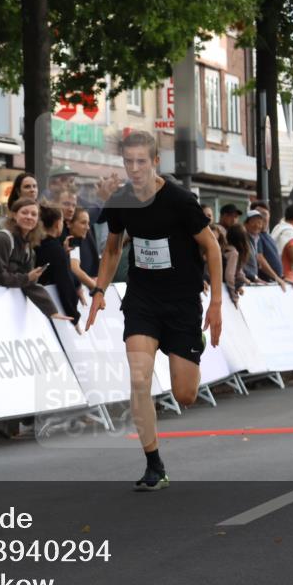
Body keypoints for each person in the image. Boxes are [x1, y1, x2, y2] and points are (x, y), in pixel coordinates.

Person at [86, 130, 222, 492]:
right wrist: (99, 290)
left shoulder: (179, 200)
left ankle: (193, 343)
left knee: (185, 395)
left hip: (181, 302)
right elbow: (113, 248)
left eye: (141, 162)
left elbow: (212, 249)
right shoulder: (121, 200)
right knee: (139, 377)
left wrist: (217, 304)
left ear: (155, 162)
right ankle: (153, 463)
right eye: (128, 162)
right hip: (143, 298)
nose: (134, 169)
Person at [0, 197, 67, 320]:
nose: (29, 217)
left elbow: (28, 284)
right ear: (14, 215)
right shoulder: (3, 239)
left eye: (34, 214)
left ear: (38, 220)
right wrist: (27, 278)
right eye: (24, 212)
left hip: (0, 306)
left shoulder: (29, 248)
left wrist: (52, 312)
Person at [35, 204, 82, 325]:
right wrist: (74, 316)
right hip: (46, 307)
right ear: (57, 224)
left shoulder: (35, 243)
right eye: (62, 221)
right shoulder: (55, 249)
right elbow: (65, 283)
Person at [242, 210, 290, 291]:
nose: (257, 225)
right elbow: (259, 259)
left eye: (260, 222)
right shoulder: (243, 239)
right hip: (246, 283)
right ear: (245, 224)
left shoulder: (256, 239)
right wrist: (276, 277)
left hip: (254, 282)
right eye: (254, 222)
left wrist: (280, 277)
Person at [251, 201, 284, 282]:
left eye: (264, 214)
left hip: (274, 283)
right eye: (258, 214)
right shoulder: (256, 236)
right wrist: (276, 277)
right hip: (264, 284)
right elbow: (259, 258)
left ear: (269, 215)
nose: (261, 217)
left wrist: (282, 277)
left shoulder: (269, 237)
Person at [67, 206, 98, 292]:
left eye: (88, 223)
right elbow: (75, 269)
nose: (87, 228)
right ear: (69, 223)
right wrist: (97, 288)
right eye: (83, 223)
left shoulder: (77, 239)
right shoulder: (70, 239)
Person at [223, 224, 253, 307]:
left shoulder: (227, 249)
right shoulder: (233, 253)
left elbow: (238, 271)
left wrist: (246, 280)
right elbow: (229, 275)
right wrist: (234, 296)